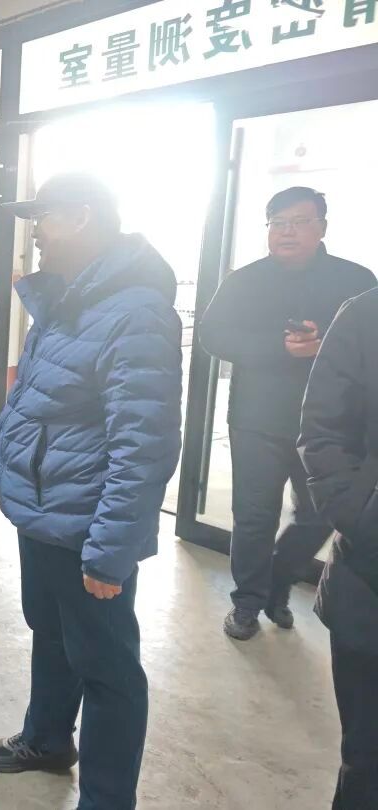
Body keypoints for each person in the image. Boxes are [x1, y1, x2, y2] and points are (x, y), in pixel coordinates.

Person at [0, 173, 182, 810]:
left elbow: (143, 444)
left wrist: (109, 549)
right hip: (44, 512)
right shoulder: (66, 299)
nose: (36, 232)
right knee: (51, 633)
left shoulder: (136, 313)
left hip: (87, 524)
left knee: (108, 671)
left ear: (84, 217)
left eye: (45, 217)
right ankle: (46, 739)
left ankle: (106, 798)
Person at [199, 187, 375, 641]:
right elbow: (213, 335)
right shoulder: (244, 280)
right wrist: (279, 348)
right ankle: (247, 603)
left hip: (328, 427)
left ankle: (278, 581)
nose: (287, 232)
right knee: (253, 516)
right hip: (256, 419)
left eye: (299, 222)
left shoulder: (356, 281)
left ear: (322, 228)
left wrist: (325, 346)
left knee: (320, 515)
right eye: (278, 223)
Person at [299, 288, 378, 809]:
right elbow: (324, 429)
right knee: (368, 761)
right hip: (370, 575)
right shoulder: (367, 314)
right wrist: (361, 516)